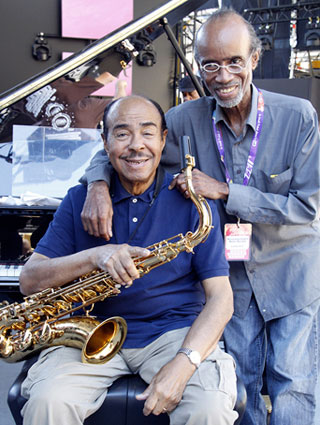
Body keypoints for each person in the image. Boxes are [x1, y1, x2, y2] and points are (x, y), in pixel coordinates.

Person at [79, 8, 320, 425]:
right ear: (199, 66)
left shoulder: (297, 116)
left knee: (294, 386)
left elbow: (307, 207)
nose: (222, 75)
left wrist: (226, 190)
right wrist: (97, 186)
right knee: (238, 387)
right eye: (211, 63)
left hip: (291, 274)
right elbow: (122, 148)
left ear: (254, 61)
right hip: (226, 282)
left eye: (233, 62)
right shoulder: (180, 120)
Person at [19, 95, 238, 425]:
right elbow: (29, 281)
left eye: (148, 133)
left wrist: (185, 362)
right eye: (122, 134)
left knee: (209, 408)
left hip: (173, 332)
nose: (137, 145)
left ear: (164, 140)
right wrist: (96, 256)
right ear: (104, 142)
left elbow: (221, 299)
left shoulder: (194, 202)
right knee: (48, 402)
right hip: (88, 333)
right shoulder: (80, 198)